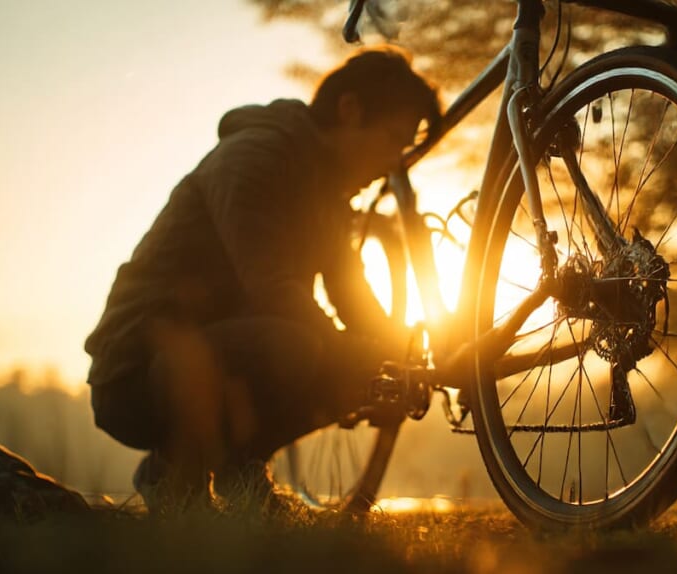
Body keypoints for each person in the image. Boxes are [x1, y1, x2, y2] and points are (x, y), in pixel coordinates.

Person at [84, 46, 441, 513]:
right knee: (299, 346)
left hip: (215, 349)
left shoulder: (328, 197)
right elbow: (271, 288)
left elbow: (349, 295)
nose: (394, 162)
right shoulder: (254, 158)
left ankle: (239, 467)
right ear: (350, 110)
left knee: (366, 365)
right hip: (135, 374)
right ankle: (175, 471)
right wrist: (357, 354)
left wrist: (401, 356)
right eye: (392, 139)